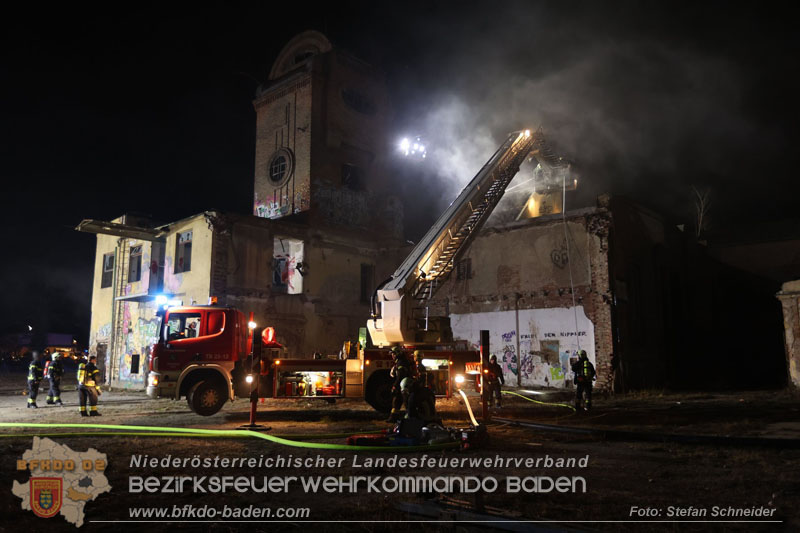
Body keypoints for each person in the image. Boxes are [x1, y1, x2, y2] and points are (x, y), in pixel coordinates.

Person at [387, 346, 410, 423]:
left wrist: (395, 386)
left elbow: (400, 376)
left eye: (393, 354)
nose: (392, 356)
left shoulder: (401, 362)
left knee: (406, 403)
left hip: (405, 386)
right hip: (403, 385)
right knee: (397, 401)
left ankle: (410, 418)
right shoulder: (400, 361)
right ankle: (393, 418)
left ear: (397, 354)